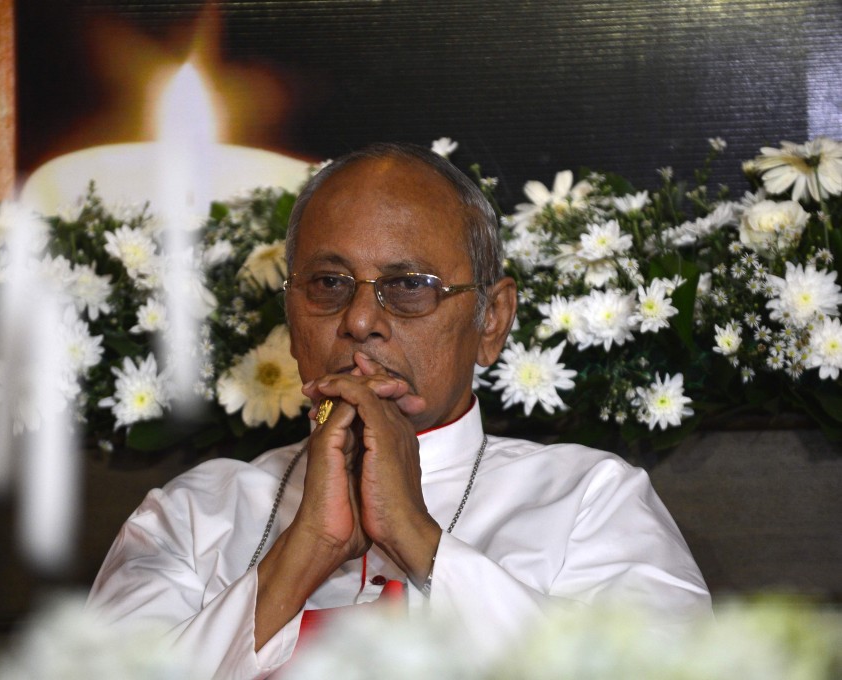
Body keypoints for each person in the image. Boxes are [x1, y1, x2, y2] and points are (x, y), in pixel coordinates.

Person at [86, 142, 711, 677]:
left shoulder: (590, 501)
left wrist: (417, 538)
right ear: (290, 313)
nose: (359, 321)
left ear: (490, 320)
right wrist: (303, 552)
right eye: (329, 284)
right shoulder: (192, 517)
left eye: (409, 285)